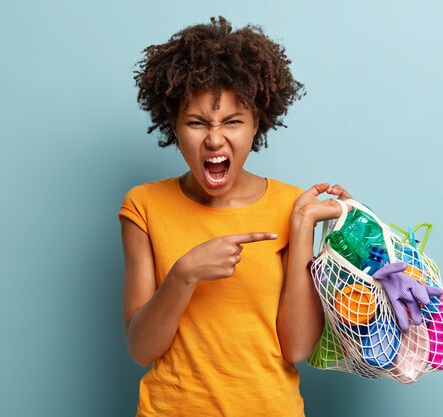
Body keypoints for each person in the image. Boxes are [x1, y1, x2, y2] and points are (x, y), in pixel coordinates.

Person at [118, 16, 351, 416]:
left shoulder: (291, 206)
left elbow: (296, 347)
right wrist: (185, 274)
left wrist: (301, 231)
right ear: (173, 126)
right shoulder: (143, 205)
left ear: (257, 123)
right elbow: (141, 350)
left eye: (233, 122)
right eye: (196, 122)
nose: (213, 138)